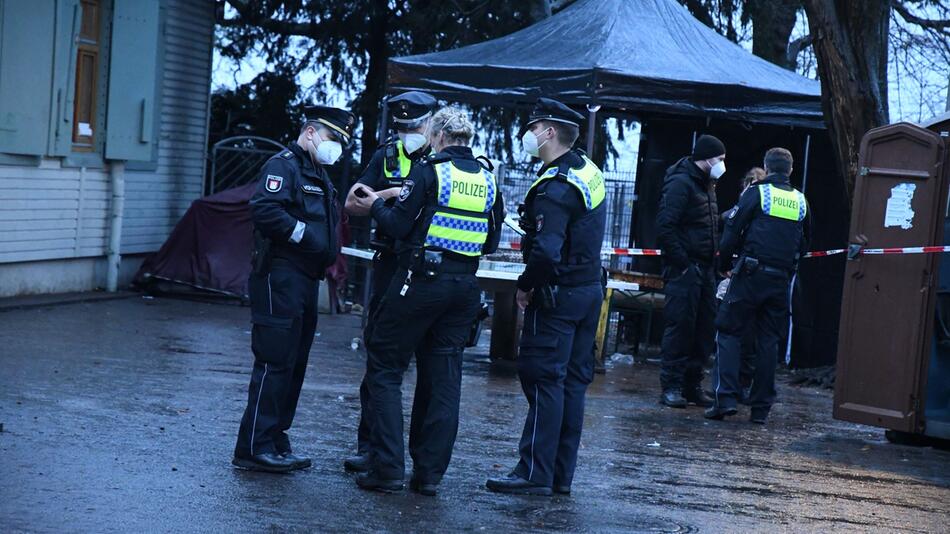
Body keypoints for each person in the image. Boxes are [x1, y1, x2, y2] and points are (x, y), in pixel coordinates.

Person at [350, 107, 504, 495]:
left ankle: (386, 469)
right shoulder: (488, 179)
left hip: (420, 281)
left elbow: (399, 224)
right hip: (464, 288)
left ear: (437, 136)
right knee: (443, 380)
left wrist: (376, 207)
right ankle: (429, 475)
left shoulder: (429, 170)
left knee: (384, 365)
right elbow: (490, 241)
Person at [485, 98, 607, 497]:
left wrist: (524, 286)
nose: (529, 134)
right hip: (588, 291)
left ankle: (533, 472)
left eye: (534, 127)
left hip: (558, 296)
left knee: (542, 381)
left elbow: (548, 251)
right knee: (571, 384)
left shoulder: (555, 187)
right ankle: (559, 475)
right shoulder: (586, 170)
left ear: (549, 132)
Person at [233, 105, 356, 473]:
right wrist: (307, 237)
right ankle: (253, 447)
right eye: (333, 138)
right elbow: (266, 211)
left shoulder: (316, 171)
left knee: (294, 365)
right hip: (280, 275)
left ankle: (275, 439)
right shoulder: (283, 166)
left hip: (304, 279)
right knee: (274, 361)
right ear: (311, 132)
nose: (336, 146)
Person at [342, 91, 438, 473]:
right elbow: (353, 201)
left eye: (413, 127)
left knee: (427, 370)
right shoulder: (386, 155)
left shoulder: (445, 158)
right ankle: (371, 447)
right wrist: (392, 194)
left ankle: (421, 459)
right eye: (400, 128)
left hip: (429, 270)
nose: (406, 134)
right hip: (389, 264)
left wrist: (401, 198)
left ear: (432, 124)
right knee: (379, 361)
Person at [706, 148, 810, 424]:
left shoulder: (758, 193)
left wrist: (724, 264)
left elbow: (733, 228)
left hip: (750, 274)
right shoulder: (800, 200)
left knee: (728, 331)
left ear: (767, 166)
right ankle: (761, 409)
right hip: (780, 280)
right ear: (790, 170)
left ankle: (725, 399)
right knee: (768, 342)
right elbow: (806, 242)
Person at [655, 134, 725, 409]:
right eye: (719, 159)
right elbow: (665, 226)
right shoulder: (681, 183)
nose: (722, 164)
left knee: (703, 329)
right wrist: (683, 264)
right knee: (680, 327)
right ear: (706, 158)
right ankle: (671, 386)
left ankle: (691, 385)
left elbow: (702, 223)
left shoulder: (706, 184)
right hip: (686, 270)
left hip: (704, 269)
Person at [719, 166, 766, 402]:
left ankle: (739, 386)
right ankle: (731, 386)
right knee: (732, 334)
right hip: (735, 279)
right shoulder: (732, 215)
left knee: (745, 337)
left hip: (746, 280)